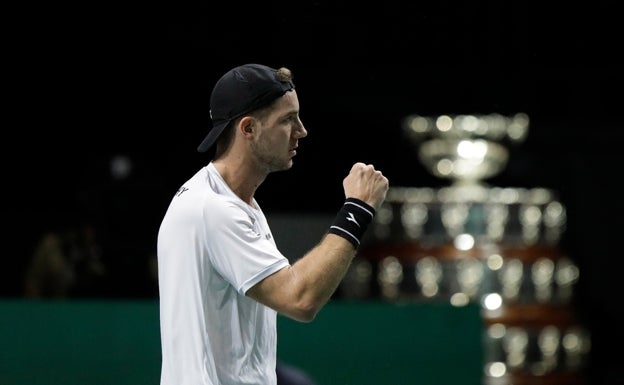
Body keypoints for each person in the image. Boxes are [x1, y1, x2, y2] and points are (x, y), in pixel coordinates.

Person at [157, 63, 389, 385]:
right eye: (287, 120)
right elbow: (300, 299)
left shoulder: (232, 202)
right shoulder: (213, 209)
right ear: (248, 128)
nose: (302, 130)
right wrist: (357, 209)